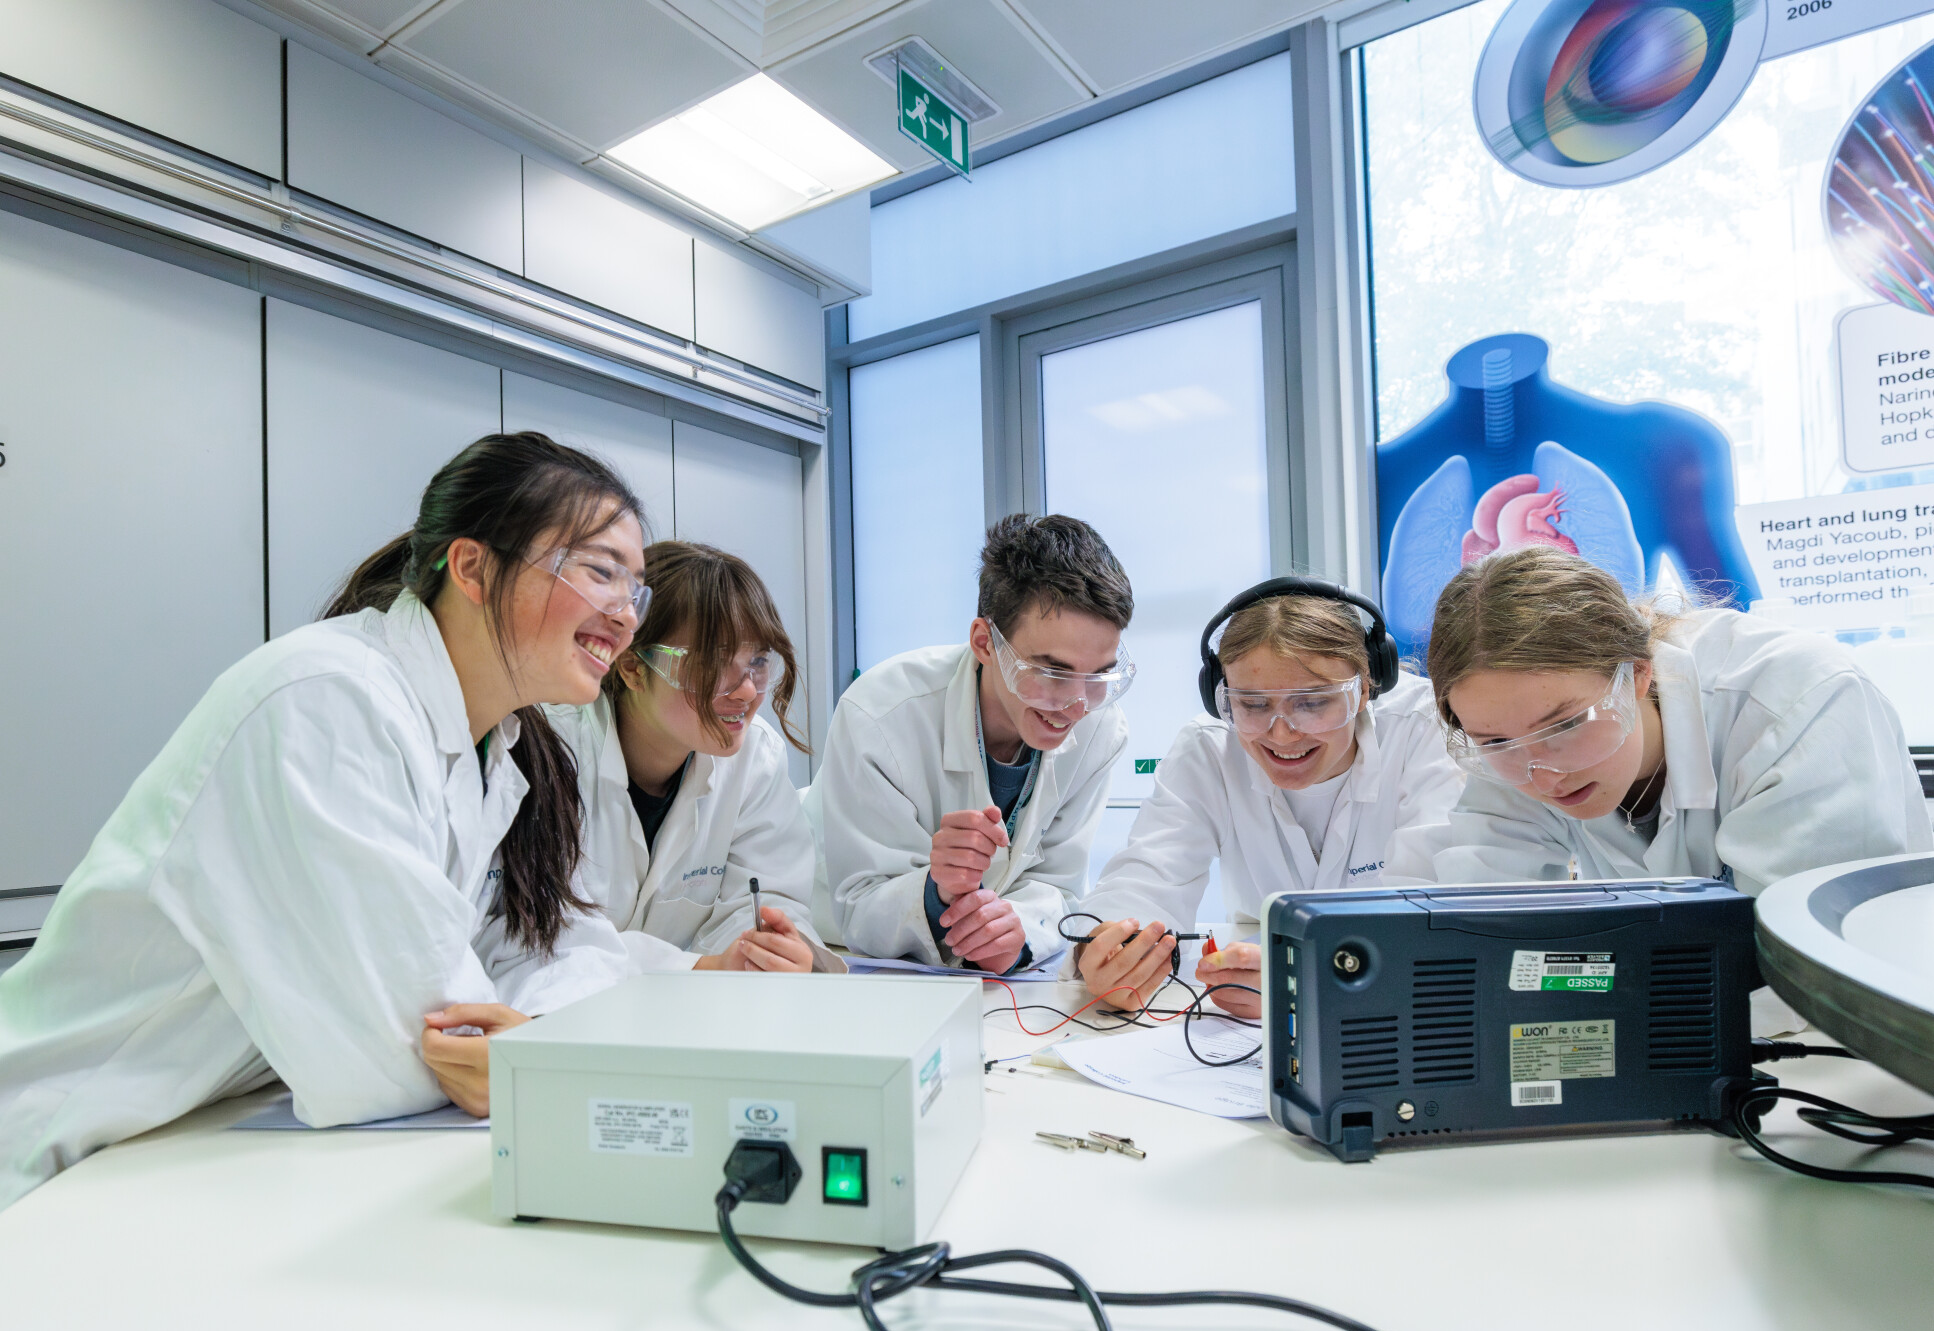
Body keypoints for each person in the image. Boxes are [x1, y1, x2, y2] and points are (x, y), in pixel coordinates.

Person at [0, 432, 651, 1209]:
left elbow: (546, 957)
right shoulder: (327, 700)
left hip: (188, 1143)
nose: (625, 615)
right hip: (51, 1159)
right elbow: (402, 1052)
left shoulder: (491, 753)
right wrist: (517, 1045)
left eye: (634, 588)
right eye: (599, 571)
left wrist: (526, 1031)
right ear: (473, 567)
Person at [1389, 546, 1931, 898]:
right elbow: (1486, 921)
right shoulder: (1514, 738)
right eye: (1494, 742)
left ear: (1638, 674)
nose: (1542, 776)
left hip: (1853, 1038)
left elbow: (1795, 957)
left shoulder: (1795, 701)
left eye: (1565, 728)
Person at [1075, 579, 1464, 1018]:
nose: (1281, 734)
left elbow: (1438, 910)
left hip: (1404, 1012)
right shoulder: (1210, 750)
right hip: (1241, 1020)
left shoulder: (1422, 729)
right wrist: (1113, 952)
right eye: (1253, 705)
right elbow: (1147, 877)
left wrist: (1306, 974)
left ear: (1364, 689)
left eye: (1314, 703)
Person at [814, 514, 1133, 970]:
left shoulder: (1100, 729)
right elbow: (861, 903)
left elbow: (1059, 888)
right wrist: (935, 889)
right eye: (1051, 672)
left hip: (993, 981)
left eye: (1099, 675)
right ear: (985, 643)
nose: (1077, 705)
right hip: (852, 955)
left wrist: (1016, 932)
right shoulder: (881, 714)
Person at [549, 541, 842, 973]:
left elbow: (770, 898)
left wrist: (762, 954)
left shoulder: (752, 758)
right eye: (713, 663)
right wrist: (702, 968)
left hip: (698, 1017)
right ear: (632, 667)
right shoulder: (555, 749)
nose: (745, 692)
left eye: (757, 661)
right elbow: (545, 938)